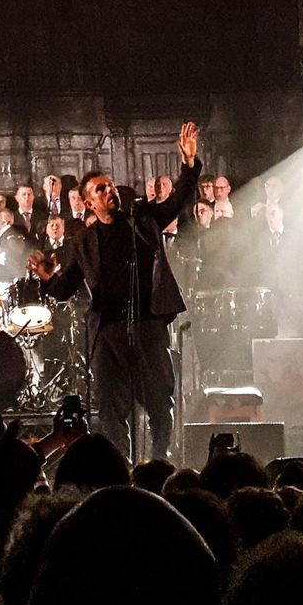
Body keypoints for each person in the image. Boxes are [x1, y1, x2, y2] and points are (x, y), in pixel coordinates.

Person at [29, 122, 201, 459]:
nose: (110, 191)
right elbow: (64, 289)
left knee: (158, 403)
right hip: (108, 333)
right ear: (89, 203)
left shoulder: (142, 220)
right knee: (110, 408)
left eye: (110, 186)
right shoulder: (83, 241)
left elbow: (179, 199)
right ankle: (121, 467)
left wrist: (189, 163)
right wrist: (47, 278)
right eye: (101, 189)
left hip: (147, 325)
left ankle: (159, 462)